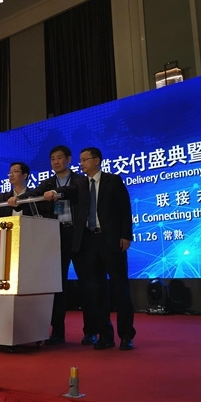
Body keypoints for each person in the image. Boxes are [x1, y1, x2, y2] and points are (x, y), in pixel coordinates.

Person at [9, 146, 95, 346]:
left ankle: (91, 331)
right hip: (56, 235)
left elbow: (71, 191)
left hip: (79, 235)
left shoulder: (80, 180)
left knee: (87, 284)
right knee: (57, 286)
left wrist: (57, 192)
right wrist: (18, 199)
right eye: (53, 159)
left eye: (59, 158)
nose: (56, 162)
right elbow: (34, 194)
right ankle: (57, 332)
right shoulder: (47, 182)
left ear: (69, 159)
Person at [75, 146, 135, 351]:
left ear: (97, 160)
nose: (81, 163)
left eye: (85, 159)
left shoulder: (113, 180)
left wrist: (126, 235)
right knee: (97, 291)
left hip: (112, 241)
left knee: (120, 289)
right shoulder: (80, 184)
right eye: (80, 160)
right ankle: (105, 335)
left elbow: (125, 210)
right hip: (89, 242)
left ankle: (126, 335)